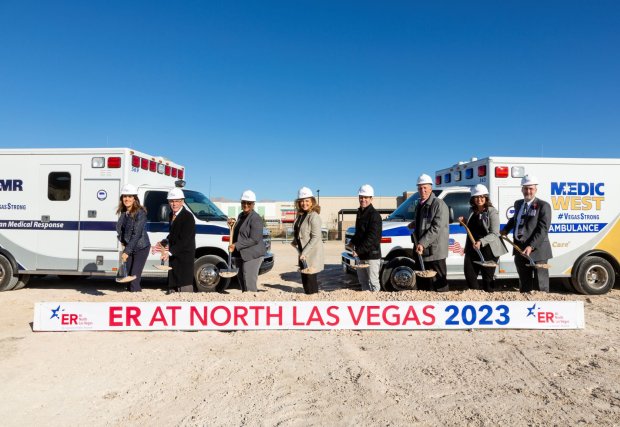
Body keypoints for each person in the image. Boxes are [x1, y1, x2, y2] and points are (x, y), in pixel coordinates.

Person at [501, 175, 553, 292]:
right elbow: (515, 219)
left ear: (535, 189)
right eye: (526, 188)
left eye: (531, 188)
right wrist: (506, 229)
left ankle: (542, 306)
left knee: (541, 284)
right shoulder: (518, 204)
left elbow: (543, 229)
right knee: (524, 283)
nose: (528, 191)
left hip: (538, 250)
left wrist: (531, 246)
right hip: (520, 248)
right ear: (522, 189)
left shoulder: (543, 206)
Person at [459, 184, 508, 292]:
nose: (479, 199)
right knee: (469, 275)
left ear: (486, 198)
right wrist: (465, 222)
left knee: (487, 279)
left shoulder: (491, 211)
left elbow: (494, 233)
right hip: (473, 248)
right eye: (476, 197)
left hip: (489, 249)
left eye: (482, 197)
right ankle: (476, 297)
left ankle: (489, 299)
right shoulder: (472, 210)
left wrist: (481, 242)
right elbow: (474, 226)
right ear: (473, 199)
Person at [408, 174, 450, 292]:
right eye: (420, 188)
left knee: (439, 283)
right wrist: (415, 223)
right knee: (423, 283)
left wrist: (422, 243)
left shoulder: (439, 204)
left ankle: (442, 306)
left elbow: (437, 227)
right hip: (423, 250)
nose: (423, 190)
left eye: (425, 187)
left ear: (431, 188)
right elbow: (425, 221)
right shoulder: (420, 205)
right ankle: (425, 305)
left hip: (435, 252)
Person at [156, 187, 196, 294]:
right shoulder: (171, 215)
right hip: (175, 255)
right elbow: (174, 234)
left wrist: (169, 252)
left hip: (184, 256)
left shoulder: (188, 217)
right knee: (173, 282)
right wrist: (165, 241)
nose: (174, 204)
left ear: (182, 202)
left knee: (184, 286)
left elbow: (184, 240)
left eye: (177, 201)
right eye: (172, 201)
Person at [225, 190, 266, 293]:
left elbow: (254, 239)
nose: (246, 205)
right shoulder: (240, 216)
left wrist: (236, 245)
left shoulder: (255, 218)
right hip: (240, 254)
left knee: (249, 283)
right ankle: (245, 303)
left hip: (252, 255)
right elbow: (239, 232)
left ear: (253, 204)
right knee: (242, 282)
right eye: (244, 202)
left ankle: (252, 304)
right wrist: (231, 224)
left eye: (249, 203)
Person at [115, 184, 150, 292]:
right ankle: (130, 299)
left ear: (135, 198)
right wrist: (123, 242)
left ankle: (136, 299)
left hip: (141, 247)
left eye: (130, 196)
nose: (127, 199)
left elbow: (136, 234)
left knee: (134, 278)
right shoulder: (123, 213)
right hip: (129, 248)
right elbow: (121, 230)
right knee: (128, 277)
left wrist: (126, 251)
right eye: (125, 196)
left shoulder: (140, 212)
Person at [350, 184, 382, 292]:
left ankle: (376, 304)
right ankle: (367, 303)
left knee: (373, 282)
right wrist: (352, 242)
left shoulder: (375, 216)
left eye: (366, 197)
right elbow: (359, 233)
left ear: (371, 198)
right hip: (361, 255)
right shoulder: (360, 213)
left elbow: (372, 238)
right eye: (361, 197)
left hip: (372, 255)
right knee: (363, 282)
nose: (363, 200)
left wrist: (358, 251)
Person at [292, 187, 324, 294]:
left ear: (312, 202)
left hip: (311, 254)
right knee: (305, 280)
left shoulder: (314, 216)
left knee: (310, 281)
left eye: (307, 200)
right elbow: (299, 230)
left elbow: (316, 237)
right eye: (302, 201)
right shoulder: (300, 215)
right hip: (302, 252)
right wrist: (295, 240)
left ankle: (313, 303)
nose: (304, 203)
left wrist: (304, 253)